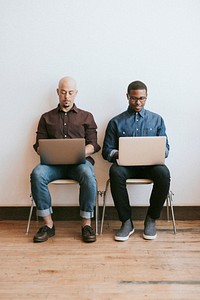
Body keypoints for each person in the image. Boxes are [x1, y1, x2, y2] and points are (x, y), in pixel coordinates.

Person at [31, 76, 100, 243]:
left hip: (79, 164)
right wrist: (45, 150)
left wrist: (79, 152)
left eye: (70, 92)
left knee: (88, 174)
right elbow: (38, 146)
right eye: (63, 92)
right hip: (53, 166)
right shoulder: (46, 117)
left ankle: (86, 224)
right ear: (57, 92)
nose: (66, 96)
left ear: (76, 93)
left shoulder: (86, 116)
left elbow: (94, 145)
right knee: (37, 174)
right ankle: (48, 225)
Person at [102, 80, 170, 241]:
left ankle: (151, 219)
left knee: (164, 173)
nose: (138, 102)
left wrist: (160, 150)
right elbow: (106, 150)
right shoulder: (115, 122)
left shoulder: (157, 120)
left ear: (146, 97)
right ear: (127, 97)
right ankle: (126, 222)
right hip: (126, 166)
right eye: (134, 98)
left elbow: (166, 149)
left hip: (150, 165)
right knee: (115, 172)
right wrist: (121, 153)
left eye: (142, 98)